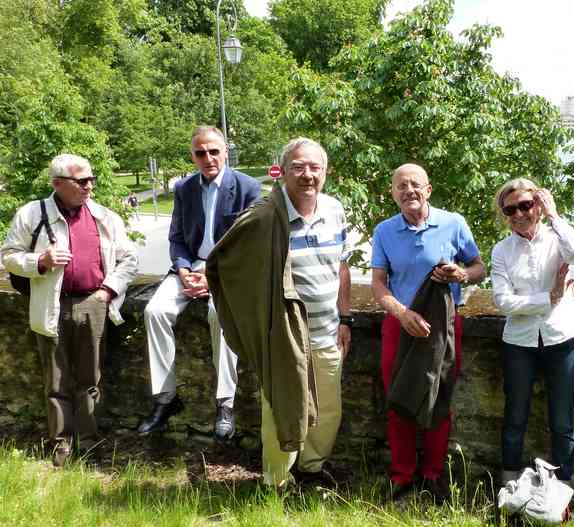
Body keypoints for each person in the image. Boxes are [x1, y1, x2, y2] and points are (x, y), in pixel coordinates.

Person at [207, 137, 352, 490]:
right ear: (283, 171)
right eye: (298, 167)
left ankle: (311, 468)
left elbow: (343, 267)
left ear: (326, 172)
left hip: (327, 330)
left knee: (329, 410)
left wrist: (346, 319)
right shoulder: (265, 217)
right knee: (280, 411)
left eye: (315, 167)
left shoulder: (335, 210)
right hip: (285, 336)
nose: (307, 175)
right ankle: (276, 481)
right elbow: (223, 263)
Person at [0, 154, 138, 466]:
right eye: (82, 180)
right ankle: (60, 445)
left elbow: (129, 258)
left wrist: (107, 290)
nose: (90, 185)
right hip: (50, 303)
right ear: (58, 183)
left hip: (93, 302)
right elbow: (8, 255)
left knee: (91, 378)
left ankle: (89, 444)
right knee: (56, 379)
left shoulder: (104, 216)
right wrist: (40, 262)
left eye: (91, 179)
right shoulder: (31, 214)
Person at [371, 163, 486, 501]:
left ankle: (433, 475)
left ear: (428, 189)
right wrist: (401, 313)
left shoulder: (453, 223)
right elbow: (378, 285)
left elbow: (479, 268)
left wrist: (461, 274)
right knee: (398, 400)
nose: (409, 191)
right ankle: (402, 475)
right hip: (400, 324)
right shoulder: (384, 231)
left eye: (415, 184)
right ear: (393, 193)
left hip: (444, 328)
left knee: (440, 398)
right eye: (401, 186)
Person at [138, 126, 261, 441]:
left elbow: (248, 245)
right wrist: (182, 270)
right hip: (189, 268)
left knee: (219, 316)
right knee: (155, 312)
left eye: (214, 151)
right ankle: (165, 399)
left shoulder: (248, 187)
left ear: (225, 151)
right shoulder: (184, 188)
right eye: (200, 153)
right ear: (193, 156)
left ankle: (225, 403)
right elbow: (177, 238)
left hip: (228, 272)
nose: (208, 158)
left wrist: (212, 275)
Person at [490, 178, 574, 485]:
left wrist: (555, 215)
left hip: (563, 336)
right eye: (510, 209)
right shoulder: (502, 250)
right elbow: (504, 301)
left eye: (526, 205)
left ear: (538, 207)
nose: (519, 214)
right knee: (515, 416)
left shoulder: (557, 238)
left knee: (561, 420)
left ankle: (561, 488)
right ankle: (508, 486)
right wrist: (550, 297)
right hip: (520, 341)